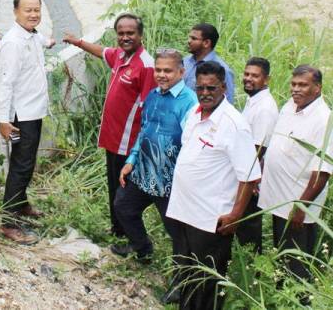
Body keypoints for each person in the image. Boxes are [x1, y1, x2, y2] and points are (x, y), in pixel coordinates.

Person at [167, 61, 261, 310]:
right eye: (200, 87)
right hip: (186, 213)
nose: (205, 93)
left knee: (207, 281)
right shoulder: (195, 114)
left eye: (212, 88)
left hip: (211, 219)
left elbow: (250, 176)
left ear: (224, 88)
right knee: (189, 273)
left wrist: (235, 215)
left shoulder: (233, 124)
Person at [113, 49, 197, 304]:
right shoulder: (152, 95)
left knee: (178, 235)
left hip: (171, 181)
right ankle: (141, 247)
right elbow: (144, 131)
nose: (161, 75)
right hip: (144, 172)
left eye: (168, 70)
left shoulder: (189, 103)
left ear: (181, 72)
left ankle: (181, 283)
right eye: (158, 70)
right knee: (123, 207)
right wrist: (130, 161)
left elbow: (192, 145)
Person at [64, 14, 156, 238]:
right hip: (112, 140)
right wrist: (78, 42)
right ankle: (118, 231)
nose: (125, 37)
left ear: (140, 35)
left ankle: (130, 238)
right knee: (114, 187)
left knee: (124, 193)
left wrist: (140, 148)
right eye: (121, 33)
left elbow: (149, 110)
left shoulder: (146, 66)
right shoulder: (120, 56)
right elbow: (102, 51)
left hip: (129, 143)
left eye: (130, 33)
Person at [258, 65, 332, 282]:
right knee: (282, 254)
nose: (296, 89)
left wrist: (301, 208)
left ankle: (300, 301)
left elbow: (323, 171)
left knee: (297, 263)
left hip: (297, 202)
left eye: (303, 85)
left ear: (317, 88)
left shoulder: (324, 119)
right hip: (279, 199)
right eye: (294, 84)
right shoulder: (290, 106)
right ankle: (281, 294)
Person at [0, 0, 51, 244]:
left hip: (34, 110)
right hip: (20, 116)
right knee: (21, 165)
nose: (33, 14)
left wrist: (51, 41)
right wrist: (3, 120)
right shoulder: (13, 43)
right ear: (16, 12)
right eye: (28, 10)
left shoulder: (31, 35)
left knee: (26, 161)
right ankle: (9, 222)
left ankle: (20, 204)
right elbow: (5, 84)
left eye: (37, 10)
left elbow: (41, 39)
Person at [238, 57, 279, 253]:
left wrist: (247, 181)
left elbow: (258, 150)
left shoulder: (265, 108)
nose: (248, 78)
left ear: (266, 79)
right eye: (246, 74)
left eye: (255, 76)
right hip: (244, 175)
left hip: (250, 181)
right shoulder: (253, 100)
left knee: (249, 230)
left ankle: (251, 271)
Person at [183, 23, 235, 103]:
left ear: (206, 43)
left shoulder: (223, 70)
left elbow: (227, 101)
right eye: (189, 37)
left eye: (194, 38)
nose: (189, 41)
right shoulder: (185, 62)